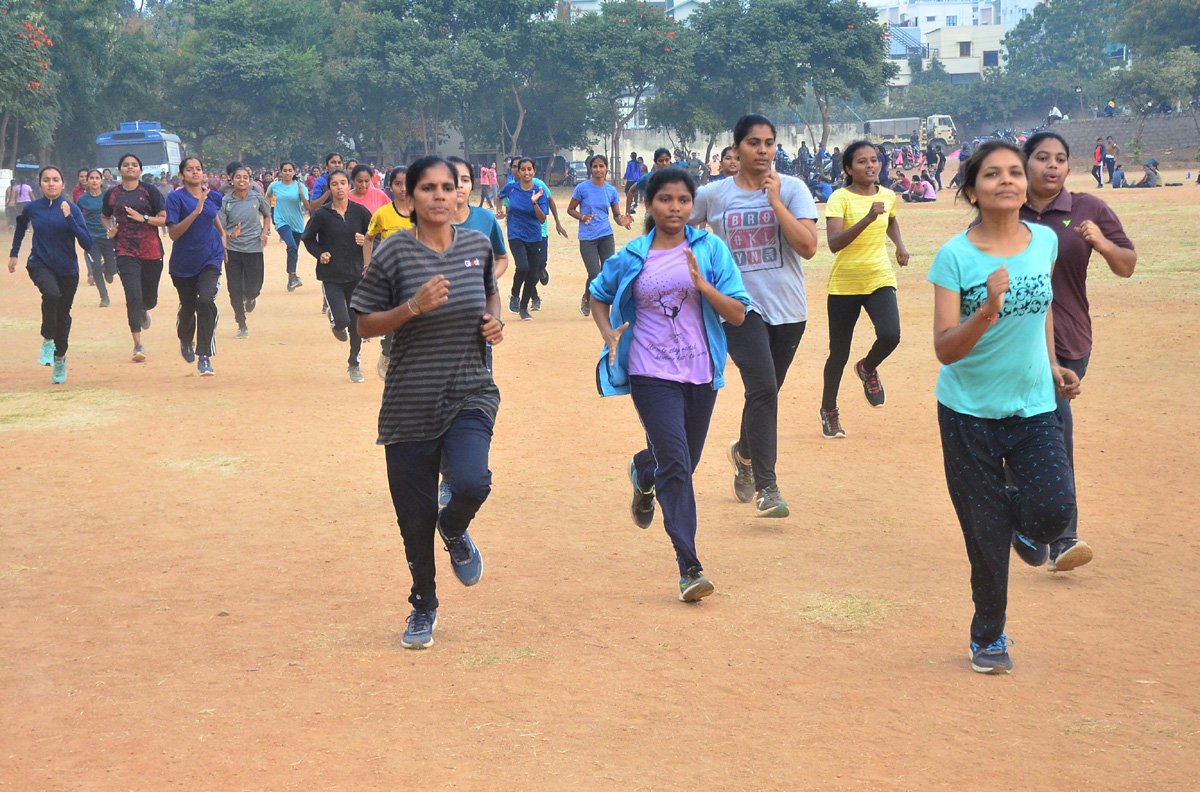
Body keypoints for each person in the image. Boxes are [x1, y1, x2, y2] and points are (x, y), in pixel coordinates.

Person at [929, 140, 1081, 674]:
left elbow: (1040, 312)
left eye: (1015, 172)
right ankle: (988, 638)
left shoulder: (1043, 242)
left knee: (1054, 512)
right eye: (992, 174)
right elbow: (945, 348)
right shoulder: (954, 256)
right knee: (984, 538)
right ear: (972, 190)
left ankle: (1013, 523)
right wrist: (986, 310)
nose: (1008, 181)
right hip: (967, 410)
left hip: (1035, 404)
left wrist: (1055, 363)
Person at [351, 155, 504, 650]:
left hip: (468, 389)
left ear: (461, 192)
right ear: (409, 196)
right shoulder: (394, 253)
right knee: (412, 521)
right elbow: (364, 323)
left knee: (471, 481)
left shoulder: (478, 245)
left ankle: (454, 525)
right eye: (428, 188)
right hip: (409, 401)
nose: (440, 196)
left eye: (448, 187)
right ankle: (424, 604)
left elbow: (489, 296)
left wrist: (492, 321)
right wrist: (411, 307)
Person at [590, 165, 750, 601]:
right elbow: (598, 294)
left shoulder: (710, 249)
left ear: (691, 204)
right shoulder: (633, 255)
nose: (675, 207)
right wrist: (608, 334)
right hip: (649, 374)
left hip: (701, 373)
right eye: (665, 199)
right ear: (649, 203)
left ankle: (644, 470)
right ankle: (689, 567)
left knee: (680, 462)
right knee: (677, 465)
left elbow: (736, 312)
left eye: (683, 200)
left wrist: (703, 286)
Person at [689, 113, 819, 518]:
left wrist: (775, 201)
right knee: (761, 386)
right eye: (753, 143)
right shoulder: (714, 194)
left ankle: (744, 454)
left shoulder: (794, 189)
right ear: (736, 148)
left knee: (766, 392)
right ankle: (768, 486)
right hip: (739, 309)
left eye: (769, 143)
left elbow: (808, 247)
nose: (763, 150)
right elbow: (675, 225)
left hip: (788, 308)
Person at [1020, 131, 1136, 572]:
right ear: (1025, 163)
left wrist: (1101, 243)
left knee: (1043, 428)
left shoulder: (1088, 208)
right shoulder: (1006, 205)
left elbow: (1126, 266)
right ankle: (1060, 533)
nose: (1052, 166)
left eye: (1061, 159)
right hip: (1016, 338)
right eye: (1042, 158)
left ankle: (1037, 526)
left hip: (1069, 339)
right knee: (1050, 428)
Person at [820, 141, 910, 439]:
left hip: (878, 278)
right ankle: (829, 411)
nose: (870, 166)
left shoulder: (887, 195)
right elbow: (834, 244)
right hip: (845, 284)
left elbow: (891, 220)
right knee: (838, 353)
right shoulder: (839, 199)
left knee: (890, 334)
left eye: (874, 160)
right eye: (862, 162)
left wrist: (900, 245)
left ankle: (867, 368)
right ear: (848, 168)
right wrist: (867, 218)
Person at [7, 166, 93, 384]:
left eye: (55, 180)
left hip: (68, 269)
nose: (51, 183)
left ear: (63, 184)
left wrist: (70, 219)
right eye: (46, 180)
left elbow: (87, 243)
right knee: (51, 295)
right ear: (40, 184)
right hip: (40, 264)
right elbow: (20, 226)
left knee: (63, 316)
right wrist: (14, 254)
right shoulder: (32, 208)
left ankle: (60, 357)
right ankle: (47, 340)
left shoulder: (71, 208)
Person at [301, 168, 371, 382]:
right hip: (331, 275)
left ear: (349, 186)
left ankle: (354, 364)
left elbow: (374, 236)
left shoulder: (360, 212)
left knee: (356, 323)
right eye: (334, 184)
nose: (339, 187)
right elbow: (308, 238)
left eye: (343, 183)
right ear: (329, 188)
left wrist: (366, 240)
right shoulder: (322, 214)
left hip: (356, 274)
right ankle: (336, 322)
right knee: (342, 320)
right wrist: (320, 253)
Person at [102, 153, 167, 362]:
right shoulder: (112, 194)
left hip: (151, 251)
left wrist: (144, 218)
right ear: (119, 170)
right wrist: (110, 229)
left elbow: (165, 219)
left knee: (149, 299)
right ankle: (138, 345)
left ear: (140, 170)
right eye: (125, 165)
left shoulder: (150, 191)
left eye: (134, 165)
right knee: (133, 296)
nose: (130, 167)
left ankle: (145, 309)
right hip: (125, 250)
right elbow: (105, 216)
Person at [165, 157, 225, 376]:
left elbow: (213, 216)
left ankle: (205, 356)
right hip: (184, 263)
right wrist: (195, 212)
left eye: (198, 169)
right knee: (189, 306)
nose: (195, 172)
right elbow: (173, 234)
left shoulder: (213, 196)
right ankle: (185, 337)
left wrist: (223, 236)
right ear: (182, 175)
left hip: (211, 257)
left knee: (206, 301)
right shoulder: (175, 198)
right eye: (189, 170)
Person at [568, 154, 632, 317]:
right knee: (594, 273)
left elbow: (616, 215)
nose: (598, 169)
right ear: (591, 168)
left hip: (606, 236)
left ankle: (602, 304)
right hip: (587, 237)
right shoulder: (582, 188)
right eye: (595, 166)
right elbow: (571, 209)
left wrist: (622, 221)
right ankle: (587, 298)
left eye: (601, 166)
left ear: (606, 168)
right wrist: (582, 217)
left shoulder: (611, 190)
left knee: (607, 272)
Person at [365, 166, 413, 380]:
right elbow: (369, 238)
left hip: (418, 272)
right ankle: (387, 351)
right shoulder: (382, 214)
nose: (403, 189)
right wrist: (367, 265)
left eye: (407, 183)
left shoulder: (422, 211)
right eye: (398, 184)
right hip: (391, 275)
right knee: (397, 317)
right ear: (390, 186)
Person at [217, 165, 272, 340]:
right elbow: (222, 228)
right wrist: (230, 235)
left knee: (254, 288)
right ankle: (241, 323)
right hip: (233, 249)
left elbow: (267, 215)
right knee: (234, 288)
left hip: (254, 248)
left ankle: (250, 298)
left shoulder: (257, 198)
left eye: (245, 177)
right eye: (238, 177)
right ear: (231, 180)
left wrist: (264, 233)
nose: (242, 180)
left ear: (250, 180)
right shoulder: (225, 201)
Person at [496, 157, 549, 321]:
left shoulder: (540, 191)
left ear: (534, 171)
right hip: (515, 234)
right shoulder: (511, 188)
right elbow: (499, 196)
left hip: (534, 236)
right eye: (523, 169)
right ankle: (514, 295)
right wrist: (499, 210)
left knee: (533, 275)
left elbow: (542, 219)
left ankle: (524, 308)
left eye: (529, 169)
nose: (526, 172)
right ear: (518, 172)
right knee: (523, 267)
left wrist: (535, 203)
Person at [266, 162, 309, 292]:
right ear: (280, 172)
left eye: (290, 170)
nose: (287, 173)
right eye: (285, 170)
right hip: (281, 221)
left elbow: (307, 206)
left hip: (297, 223)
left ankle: (291, 276)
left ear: (295, 172)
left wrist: (301, 194)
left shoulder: (301, 187)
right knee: (291, 245)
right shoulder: (275, 186)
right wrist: (264, 211)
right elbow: (267, 197)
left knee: (293, 250)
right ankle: (293, 275)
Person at [77, 170, 116, 308]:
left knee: (112, 268)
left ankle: (109, 270)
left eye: (97, 178)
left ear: (101, 181)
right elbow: (76, 215)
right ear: (87, 181)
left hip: (107, 236)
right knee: (96, 268)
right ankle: (104, 297)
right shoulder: (83, 199)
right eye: (91, 178)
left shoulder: (108, 196)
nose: (94, 181)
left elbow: (116, 212)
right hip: (91, 238)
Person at [625, 148, 672, 216]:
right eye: (661, 161)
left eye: (667, 160)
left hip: (670, 215)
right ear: (656, 162)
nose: (664, 163)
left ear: (670, 160)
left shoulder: (676, 178)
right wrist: (627, 213)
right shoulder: (648, 178)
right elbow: (631, 191)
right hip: (652, 217)